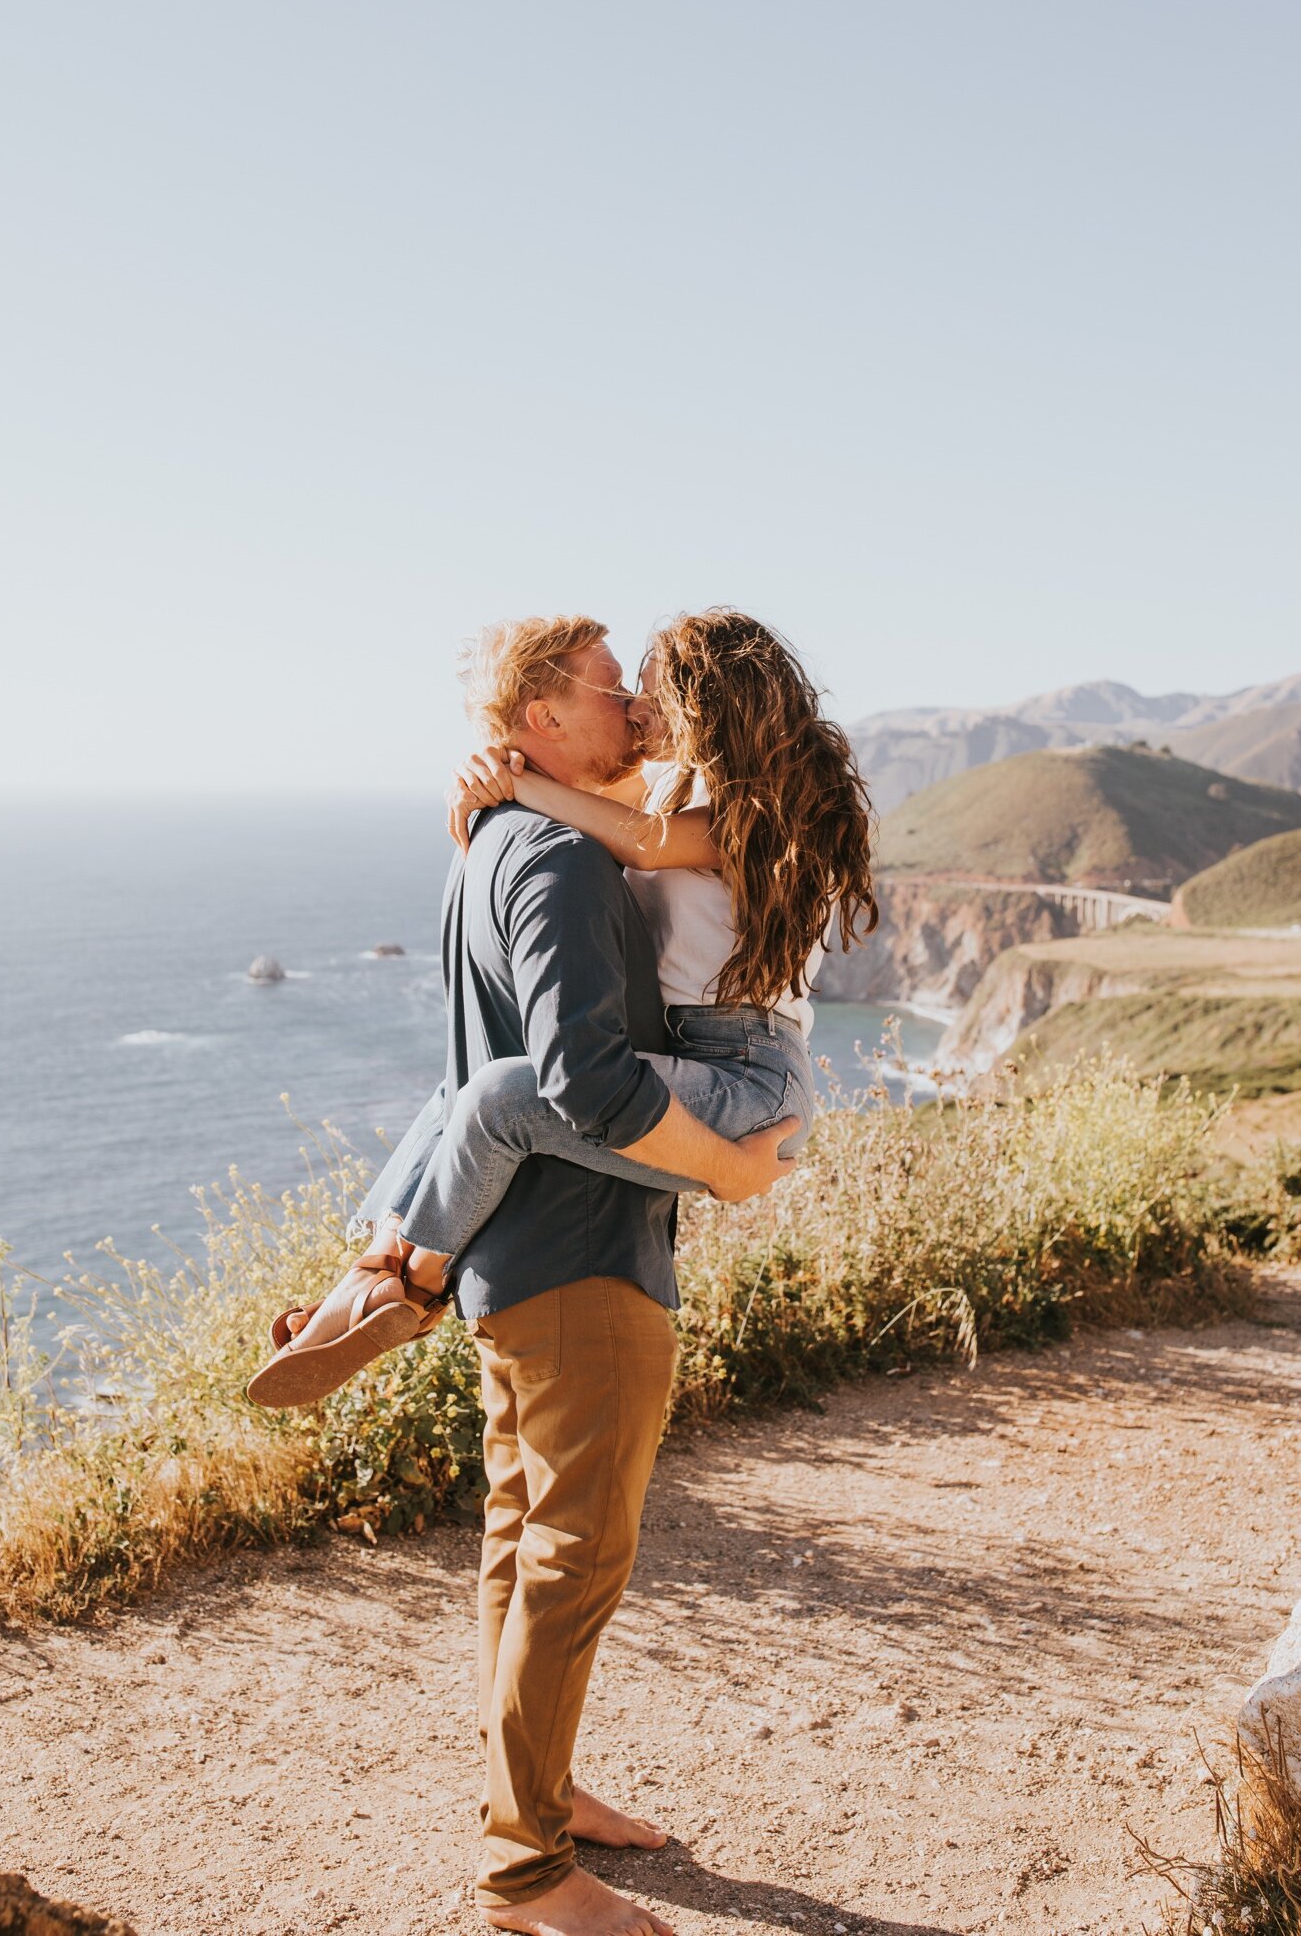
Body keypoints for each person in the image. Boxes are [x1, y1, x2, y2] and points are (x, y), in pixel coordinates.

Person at [249, 612, 875, 1936]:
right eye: (613, 693)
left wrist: (497, 787)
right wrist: (729, 1169)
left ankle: (536, 1792)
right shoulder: (567, 855)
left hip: (553, 1218)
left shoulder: (569, 833)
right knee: (568, 1557)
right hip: (580, 1261)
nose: (637, 715)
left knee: (519, 1543)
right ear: (544, 714)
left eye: (649, 699)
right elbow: (588, 1075)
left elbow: (638, 859)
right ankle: (522, 1865)